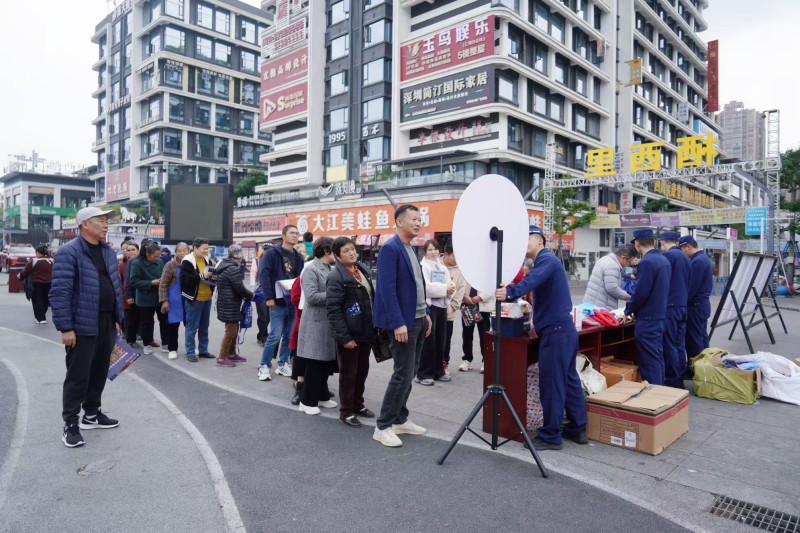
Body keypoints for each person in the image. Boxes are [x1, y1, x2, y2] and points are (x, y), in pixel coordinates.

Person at [496, 226, 587, 451]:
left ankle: (551, 435)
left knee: (553, 385)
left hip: (556, 333)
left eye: (526, 239)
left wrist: (508, 293)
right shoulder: (547, 261)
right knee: (569, 380)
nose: (523, 244)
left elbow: (531, 280)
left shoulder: (546, 259)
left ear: (539, 240)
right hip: (563, 330)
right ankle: (577, 427)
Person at [50, 206, 123, 448]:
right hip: (81, 324)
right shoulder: (68, 253)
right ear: (84, 224)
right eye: (100, 220)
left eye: (106, 221)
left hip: (106, 320)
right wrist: (66, 328)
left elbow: (114, 286)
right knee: (78, 375)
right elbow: (60, 293)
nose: (105, 224)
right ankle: (70, 423)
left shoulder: (108, 252)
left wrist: (116, 317)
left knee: (100, 371)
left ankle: (91, 414)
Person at [372, 204, 432, 448]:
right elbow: (386, 290)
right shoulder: (390, 248)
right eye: (414, 219)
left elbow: (417, 286)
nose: (419, 223)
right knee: (402, 373)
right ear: (399, 222)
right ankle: (383, 426)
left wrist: (425, 313)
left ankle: (400, 418)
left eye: (420, 220)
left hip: (417, 319)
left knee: (412, 370)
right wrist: (397, 323)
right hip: (402, 322)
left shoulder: (410, 248)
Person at [327, 237, 376, 427]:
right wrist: (344, 337)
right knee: (348, 374)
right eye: (346, 250)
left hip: (366, 330)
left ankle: (358, 404)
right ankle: (346, 411)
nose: (352, 253)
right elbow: (333, 310)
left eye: (353, 249)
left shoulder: (361, 269)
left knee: (362, 371)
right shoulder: (336, 277)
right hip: (349, 334)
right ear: (338, 256)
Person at [623, 229, 671, 385]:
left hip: (648, 319)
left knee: (648, 360)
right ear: (653, 241)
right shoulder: (663, 260)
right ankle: (661, 391)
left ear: (637, 244)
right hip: (659, 316)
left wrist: (628, 310)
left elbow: (641, 292)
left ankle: (653, 396)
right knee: (657, 356)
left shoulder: (647, 262)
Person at [296, 237, 338, 414]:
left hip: (325, 324)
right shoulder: (311, 269)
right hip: (314, 324)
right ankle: (307, 402)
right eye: (335, 250)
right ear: (327, 251)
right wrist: (336, 294)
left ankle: (322, 397)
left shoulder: (329, 268)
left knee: (323, 364)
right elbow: (312, 297)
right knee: (314, 364)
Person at [258, 225, 304, 381]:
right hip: (277, 301)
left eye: (297, 233)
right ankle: (264, 365)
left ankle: (282, 363)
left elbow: (300, 279)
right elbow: (264, 275)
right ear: (283, 236)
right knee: (275, 334)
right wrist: (269, 297)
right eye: (292, 233)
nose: (295, 235)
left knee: (289, 335)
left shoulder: (298, 256)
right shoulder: (272, 253)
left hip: (292, 301)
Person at [415, 239, 454, 385]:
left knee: (440, 340)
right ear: (425, 252)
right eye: (430, 250)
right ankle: (423, 374)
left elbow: (450, 283)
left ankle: (439, 371)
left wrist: (450, 288)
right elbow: (425, 288)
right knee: (428, 341)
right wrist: (445, 289)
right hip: (429, 308)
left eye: (435, 249)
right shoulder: (423, 266)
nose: (434, 252)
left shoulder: (442, 267)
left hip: (442, 306)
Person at [659, 231, 691, 388]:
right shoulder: (685, 257)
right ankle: (679, 379)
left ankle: (673, 380)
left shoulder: (669, 257)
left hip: (670, 307)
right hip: (682, 306)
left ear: (663, 242)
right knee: (679, 343)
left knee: (669, 344)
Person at [213, 244, 253, 367]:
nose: (241, 259)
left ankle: (231, 353)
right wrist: (252, 295)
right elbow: (239, 288)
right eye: (239, 256)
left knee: (234, 330)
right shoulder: (233, 269)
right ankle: (222, 357)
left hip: (227, 303)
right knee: (231, 331)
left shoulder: (224, 265)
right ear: (236, 257)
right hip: (230, 304)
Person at [180, 237, 217, 362]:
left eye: (207, 248)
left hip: (207, 298)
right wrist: (202, 276)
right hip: (194, 299)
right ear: (195, 248)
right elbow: (185, 280)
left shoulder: (207, 260)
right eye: (204, 249)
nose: (206, 251)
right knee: (192, 327)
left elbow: (210, 276)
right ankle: (190, 352)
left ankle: (203, 350)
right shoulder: (187, 261)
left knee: (204, 326)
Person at [680, 236, 713, 369]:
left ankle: (696, 369)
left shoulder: (697, 261)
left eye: (682, 249)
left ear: (688, 246)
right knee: (701, 337)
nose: (682, 252)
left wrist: (681, 303)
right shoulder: (703, 258)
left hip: (695, 306)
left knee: (694, 339)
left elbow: (691, 287)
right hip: (702, 305)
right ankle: (705, 368)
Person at [129, 241, 165, 356]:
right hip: (145, 299)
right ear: (147, 254)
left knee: (164, 321)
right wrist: (150, 283)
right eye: (155, 256)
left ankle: (166, 344)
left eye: (159, 256)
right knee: (147, 323)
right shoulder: (137, 263)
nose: (157, 258)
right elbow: (133, 281)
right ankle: (147, 344)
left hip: (160, 297)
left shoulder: (160, 262)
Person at [159, 242, 189, 360]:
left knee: (190, 326)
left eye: (184, 250)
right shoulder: (170, 265)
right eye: (179, 251)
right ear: (175, 252)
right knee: (173, 326)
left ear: (188, 251)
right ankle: (172, 349)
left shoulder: (192, 264)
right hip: (174, 300)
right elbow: (163, 284)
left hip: (188, 300)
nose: (182, 253)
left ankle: (189, 348)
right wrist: (164, 301)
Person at [583, 247, 635, 311]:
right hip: (601, 306)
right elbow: (612, 289)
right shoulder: (613, 266)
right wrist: (629, 297)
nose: (627, 265)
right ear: (624, 258)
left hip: (592, 303)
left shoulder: (605, 259)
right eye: (628, 262)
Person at [442, 241, 466, 377]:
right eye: (455, 255)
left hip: (449, 314)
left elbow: (460, 291)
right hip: (434, 312)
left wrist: (452, 307)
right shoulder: (436, 264)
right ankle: (431, 366)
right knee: (432, 341)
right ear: (446, 254)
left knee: (446, 341)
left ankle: (444, 364)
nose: (457, 259)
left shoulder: (459, 270)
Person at [459, 284, 494, 373]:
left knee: (484, 335)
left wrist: (480, 297)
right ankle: (467, 359)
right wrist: (464, 295)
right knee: (467, 334)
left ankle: (486, 360)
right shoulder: (466, 270)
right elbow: (459, 284)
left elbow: (493, 287)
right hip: (467, 304)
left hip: (483, 305)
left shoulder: (487, 271)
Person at [19, 244, 53, 323]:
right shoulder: (52, 260)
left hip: (37, 284)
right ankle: (42, 316)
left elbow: (25, 272)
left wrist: (19, 276)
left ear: (38, 252)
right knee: (45, 300)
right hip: (49, 283)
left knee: (37, 301)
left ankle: (41, 318)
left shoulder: (34, 261)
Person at [254, 243, 272, 346]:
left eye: (268, 249)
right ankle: (263, 336)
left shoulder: (274, 261)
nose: (267, 251)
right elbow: (253, 275)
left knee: (269, 315)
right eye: (265, 249)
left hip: (271, 290)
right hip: (260, 290)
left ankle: (262, 334)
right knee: (262, 315)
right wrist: (254, 290)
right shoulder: (257, 260)